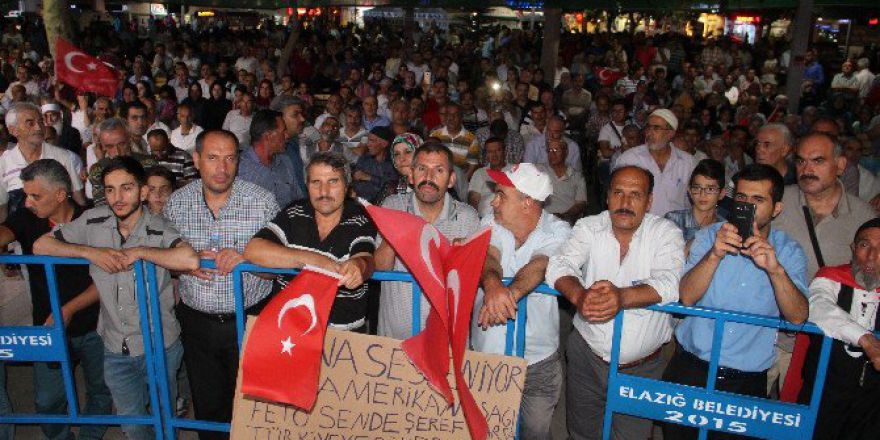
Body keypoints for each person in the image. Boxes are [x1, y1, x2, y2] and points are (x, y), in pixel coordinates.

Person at [34, 156, 199, 440]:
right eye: (110, 189)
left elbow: (189, 259)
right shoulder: (93, 221)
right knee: (133, 427)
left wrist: (142, 252)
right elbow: (40, 245)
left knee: (164, 421)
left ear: (143, 191)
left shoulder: (158, 228)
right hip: (114, 346)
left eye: (126, 188)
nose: (118, 198)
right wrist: (90, 252)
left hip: (158, 344)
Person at [663, 164, 808, 440]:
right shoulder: (708, 237)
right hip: (691, 367)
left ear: (776, 208)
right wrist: (714, 255)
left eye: (758, 200)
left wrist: (775, 270)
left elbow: (798, 317)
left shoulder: (788, 251)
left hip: (746, 379)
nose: (747, 206)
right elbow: (685, 296)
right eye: (742, 198)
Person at [547, 166, 685, 440]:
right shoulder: (589, 226)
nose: (625, 202)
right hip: (587, 356)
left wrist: (621, 297)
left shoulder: (666, 233)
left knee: (631, 436)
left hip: (642, 367)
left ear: (649, 202)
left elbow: (670, 283)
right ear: (608, 196)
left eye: (636, 194)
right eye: (618, 192)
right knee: (582, 432)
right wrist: (579, 295)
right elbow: (559, 264)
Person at [164, 129, 280, 439]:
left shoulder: (263, 202)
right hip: (197, 324)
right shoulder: (176, 205)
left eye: (230, 158)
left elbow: (280, 271)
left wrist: (249, 262)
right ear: (196, 159)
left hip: (251, 321)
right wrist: (184, 265)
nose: (222, 168)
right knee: (209, 405)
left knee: (254, 404)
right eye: (213, 158)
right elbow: (165, 263)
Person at [0, 159, 111, 440]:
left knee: (100, 391)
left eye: (35, 195)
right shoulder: (26, 219)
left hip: (96, 326)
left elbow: (108, 279)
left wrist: (70, 308)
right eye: (26, 194)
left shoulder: (95, 219)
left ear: (61, 194)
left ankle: (90, 436)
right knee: (47, 401)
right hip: (48, 329)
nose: (27, 202)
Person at [471, 163, 570, 440]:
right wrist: (492, 286)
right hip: (487, 356)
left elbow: (540, 264)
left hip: (537, 361)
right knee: (487, 432)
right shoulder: (490, 221)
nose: (494, 200)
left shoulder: (558, 230)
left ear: (527, 203)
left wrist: (507, 296)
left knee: (534, 433)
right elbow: (488, 255)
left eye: (502, 194)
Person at [245, 152, 378, 333]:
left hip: (342, 338)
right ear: (307, 185)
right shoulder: (295, 212)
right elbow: (254, 250)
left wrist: (358, 266)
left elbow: (365, 257)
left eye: (333, 181)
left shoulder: (360, 218)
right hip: (290, 332)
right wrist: (316, 261)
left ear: (347, 186)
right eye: (316, 182)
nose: (324, 192)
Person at [375, 143, 481, 339]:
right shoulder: (392, 206)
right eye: (422, 169)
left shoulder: (468, 217)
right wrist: (395, 233)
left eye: (438, 170)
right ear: (411, 176)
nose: (429, 177)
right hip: (394, 345)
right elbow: (379, 268)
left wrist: (463, 257)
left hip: (446, 342)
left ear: (451, 180)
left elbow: (474, 281)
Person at [802, 218, 880, 439]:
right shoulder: (830, 278)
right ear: (853, 249)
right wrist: (866, 340)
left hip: (872, 403)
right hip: (825, 393)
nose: (872, 256)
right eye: (865, 245)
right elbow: (818, 306)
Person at [0, 102, 86, 222]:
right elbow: (2, 209)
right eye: (30, 123)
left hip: (61, 231)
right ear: (13, 130)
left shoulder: (63, 157)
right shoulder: (4, 163)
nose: (39, 128)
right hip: (21, 235)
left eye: (40, 121)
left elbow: (79, 199)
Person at [614, 108, 696, 217]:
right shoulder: (629, 159)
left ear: (670, 133)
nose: (649, 133)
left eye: (656, 128)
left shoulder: (688, 162)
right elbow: (616, 196)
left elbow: (693, 201)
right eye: (648, 127)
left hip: (675, 228)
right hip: (640, 227)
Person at [237, 109, 303, 207]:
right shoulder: (240, 168)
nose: (287, 135)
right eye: (283, 131)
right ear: (268, 136)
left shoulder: (285, 161)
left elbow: (298, 199)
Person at [87, 118, 158, 206]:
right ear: (102, 146)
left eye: (121, 144)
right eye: (110, 146)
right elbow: (102, 207)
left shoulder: (149, 164)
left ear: (129, 139)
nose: (117, 152)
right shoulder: (98, 170)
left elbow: (156, 200)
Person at [664, 159, 727, 243]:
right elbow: (671, 256)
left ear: (722, 194)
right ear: (690, 191)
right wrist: (700, 234)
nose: (702, 194)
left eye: (710, 189)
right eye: (697, 188)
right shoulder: (673, 220)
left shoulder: (725, 227)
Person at [428, 102, 481, 200]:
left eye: (455, 115)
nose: (451, 118)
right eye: (448, 115)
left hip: (460, 183)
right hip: (437, 181)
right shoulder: (434, 135)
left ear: (461, 117)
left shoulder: (471, 139)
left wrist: (458, 182)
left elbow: (472, 166)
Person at [536, 138, 587, 224]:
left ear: (566, 152)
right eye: (549, 150)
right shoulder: (539, 170)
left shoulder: (576, 176)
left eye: (556, 150)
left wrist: (564, 216)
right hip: (543, 220)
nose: (552, 154)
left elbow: (580, 203)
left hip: (567, 219)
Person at [352, 125, 398, 204]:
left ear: (384, 144)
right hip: (361, 205)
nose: (368, 144)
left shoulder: (393, 163)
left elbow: (391, 187)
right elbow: (357, 184)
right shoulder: (364, 160)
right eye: (368, 140)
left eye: (372, 141)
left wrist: (369, 177)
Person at [468, 137, 511, 218]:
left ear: (504, 152)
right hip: (484, 220)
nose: (494, 155)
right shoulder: (479, 173)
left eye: (498, 150)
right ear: (486, 155)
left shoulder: (515, 171)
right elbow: (473, 201)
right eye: (490, 152)